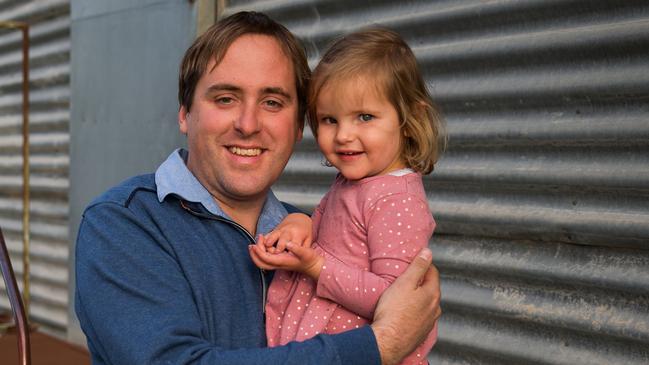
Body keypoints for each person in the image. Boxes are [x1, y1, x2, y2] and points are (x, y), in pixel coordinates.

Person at [75, 11, 441, 365]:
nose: (248, 124)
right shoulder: (125, 224)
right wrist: (380, 345)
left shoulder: (307, 233)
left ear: (299, 125)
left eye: (272, 102)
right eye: (225, 98)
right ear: (185, 112)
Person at [249, 28, 444, 364]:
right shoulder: (353, 182)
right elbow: (325, 227)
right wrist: (297, 224)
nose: (343, 135)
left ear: (409, 120)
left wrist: (315, 266)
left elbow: (394, 300)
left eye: (365, 117)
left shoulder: (398, 201)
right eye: (329, 120)